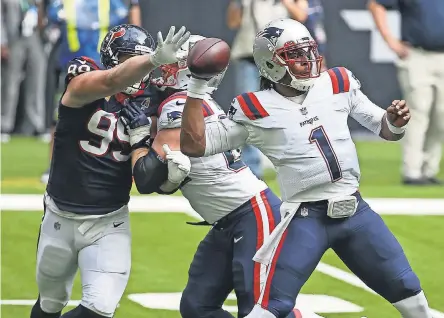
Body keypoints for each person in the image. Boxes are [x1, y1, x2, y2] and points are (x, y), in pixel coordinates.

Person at [179, 18, 433, 318]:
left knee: (410, 293)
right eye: (295, 55)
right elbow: (195, 145)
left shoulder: (338, 83)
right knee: (270, 308)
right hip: (305, 218)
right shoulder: (254, 108)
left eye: (308, 51)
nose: (307, 60)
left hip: (355, 212)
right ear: (271, 64)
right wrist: (195, 90)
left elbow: (383, 128)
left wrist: (394, 121)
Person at [121, 34, 318, 318]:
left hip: (250, 213)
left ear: (189, 71)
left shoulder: (179, 105)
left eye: (174, 64)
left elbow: (146, 177)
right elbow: (165, 180)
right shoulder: (184, 103)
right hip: (228, 220)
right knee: (197, 307)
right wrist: (172, 180)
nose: (164, 69)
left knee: (257, 311)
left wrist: (139, 139)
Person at [30, 24, 191, 318]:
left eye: (139, 60)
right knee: (50, 303)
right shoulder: (84, 77)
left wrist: (145, 139)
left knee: (99, 309)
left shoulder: (155, 100)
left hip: (109, 221)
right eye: (129, 59)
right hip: (60, 216)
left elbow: (150, 174)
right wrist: (153, 59)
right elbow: (110, 82)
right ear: (112, 58)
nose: (136, 69)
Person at [39, 0, 143, 184]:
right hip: (72, 69)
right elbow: (46, 23)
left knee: (112, 117)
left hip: (103, 69)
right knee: (60, 119)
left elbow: (133, 29)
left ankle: (115, 165)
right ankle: (54, 165)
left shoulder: (110, 3)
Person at [368, 0, 444, 185]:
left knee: (441, 116)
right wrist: (390, 41)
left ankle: (428, 169)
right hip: (417, 55)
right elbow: (376, 4)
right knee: (419, 111)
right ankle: (412, 170)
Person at [1, 0, 46, 142]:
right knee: (10, 83)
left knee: (37, 81)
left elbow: (42, 14)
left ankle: (37, 124)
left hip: (34, 36)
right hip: (13, 37)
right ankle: (5, 125)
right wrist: (2, 42)